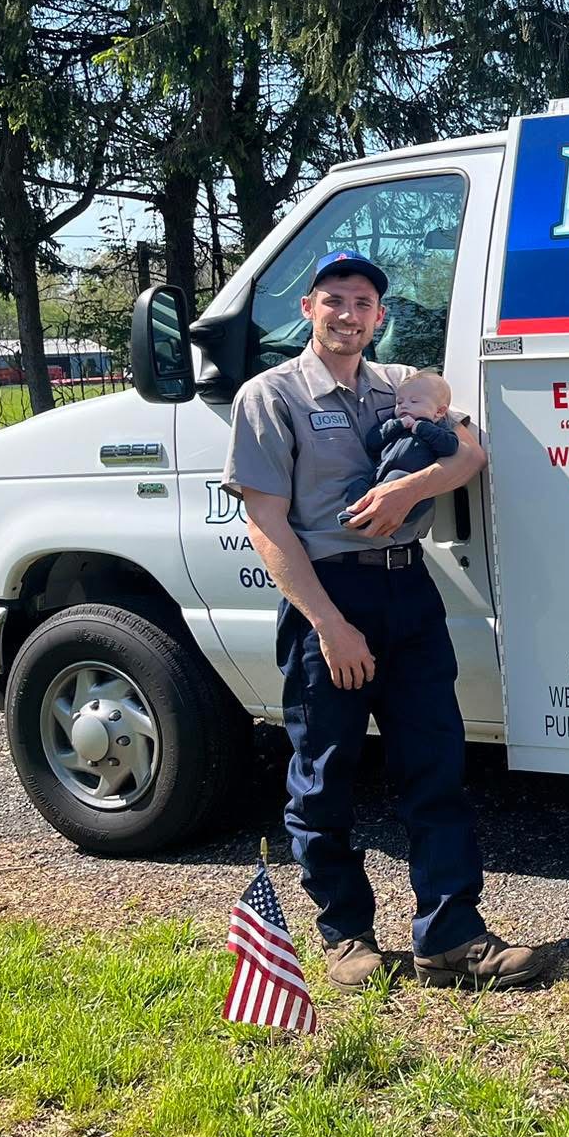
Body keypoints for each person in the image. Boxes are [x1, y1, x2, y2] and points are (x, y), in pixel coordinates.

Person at [222, 249, 537, 989]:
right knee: (324, 778)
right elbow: (268, 525)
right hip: (328, 601)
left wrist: (410, 491)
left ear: (379, 318)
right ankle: (345, 935)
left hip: (409, 594)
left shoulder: (399, 388)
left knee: (436, 767)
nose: (348, 315)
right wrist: (331, 627)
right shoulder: (270, 397)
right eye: (334, 300)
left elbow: (470, 453)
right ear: (309, 310)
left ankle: (451, 938)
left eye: (363, 304)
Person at [339, 371, 462, 530]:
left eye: (414, 401)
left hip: (410, 492)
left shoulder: (437, 427)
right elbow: (373, 442)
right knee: (358, 484)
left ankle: (370, 516)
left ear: (439, 411)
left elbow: (450, 447)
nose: (404, 405)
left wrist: (422, 427)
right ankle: (356, 512)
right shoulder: (395, 424)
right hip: (379, 477)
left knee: (396, 477)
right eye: (399, 402)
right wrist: (397, 425)